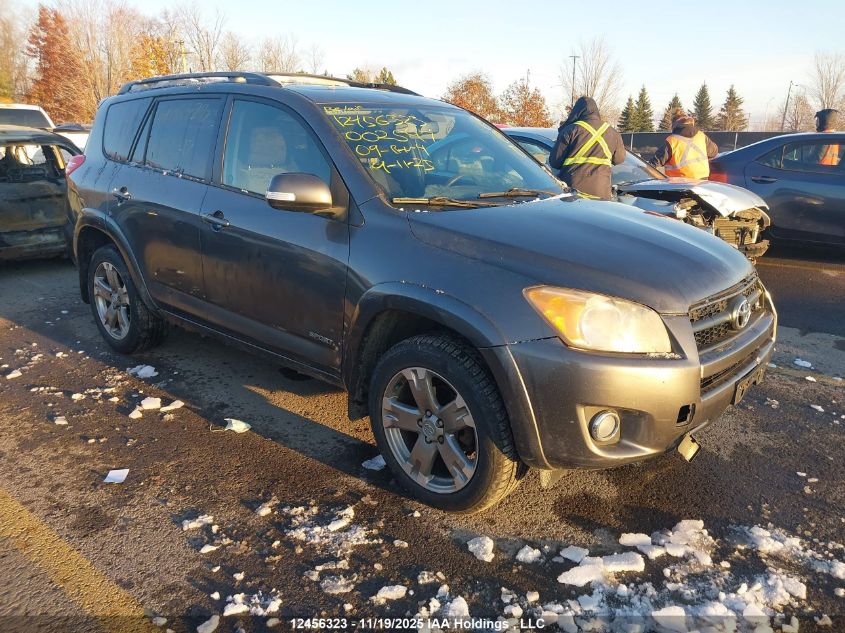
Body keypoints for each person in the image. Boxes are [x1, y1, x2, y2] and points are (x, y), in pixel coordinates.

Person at [548, 96, 625, 200]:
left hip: (573, 192)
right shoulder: (613, 133)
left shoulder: (570, 130)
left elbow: (554, 162)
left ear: (577, 111)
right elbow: (619, 159)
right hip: (601, 192)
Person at [651, 110, 718, 179]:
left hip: (679, 184)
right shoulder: (701, 136)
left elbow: (653, 164)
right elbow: (714, 152)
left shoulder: (672, 141)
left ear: (674, 126)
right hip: (702, 182)